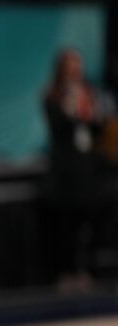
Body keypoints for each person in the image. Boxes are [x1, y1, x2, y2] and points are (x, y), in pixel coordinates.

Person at [42, 48, 106, 292]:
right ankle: (66, 272)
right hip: (64, 171)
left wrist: (89, 110)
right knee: (65, 225)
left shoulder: (88, 94)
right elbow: (59, 126)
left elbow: (96, 128)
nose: (75, 72)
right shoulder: (52, 96)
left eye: (78, 67)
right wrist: (71, 103)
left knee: (85, 224)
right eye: (70, 67)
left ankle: (84, 270)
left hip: (85, 170)